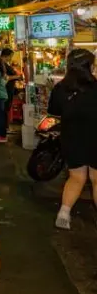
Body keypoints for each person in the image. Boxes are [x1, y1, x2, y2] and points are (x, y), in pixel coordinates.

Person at [48, 49, 97, 229]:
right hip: (95, 138)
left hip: (72, 137)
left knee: (76, 177)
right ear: (90, 66)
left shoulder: (60, 88)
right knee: (96, 178)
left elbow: (54, 111)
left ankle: (64, 212)